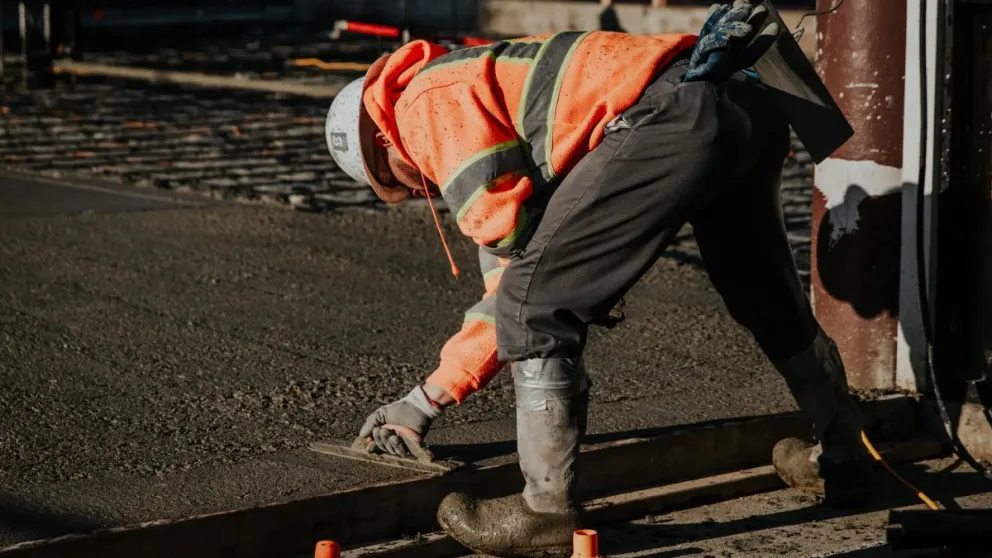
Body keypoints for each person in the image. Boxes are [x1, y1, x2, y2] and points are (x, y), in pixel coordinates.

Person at [324, 3, 873, 557]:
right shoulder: (473, 82)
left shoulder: (425, 109)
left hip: (673, 112)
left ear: (383, 142)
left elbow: (517, 287)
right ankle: (845, 453)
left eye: (396, 181)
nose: (419, 191)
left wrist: (423, 402)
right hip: (740, 100)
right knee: (764, 296)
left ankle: (545, 512)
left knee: (534, 305)